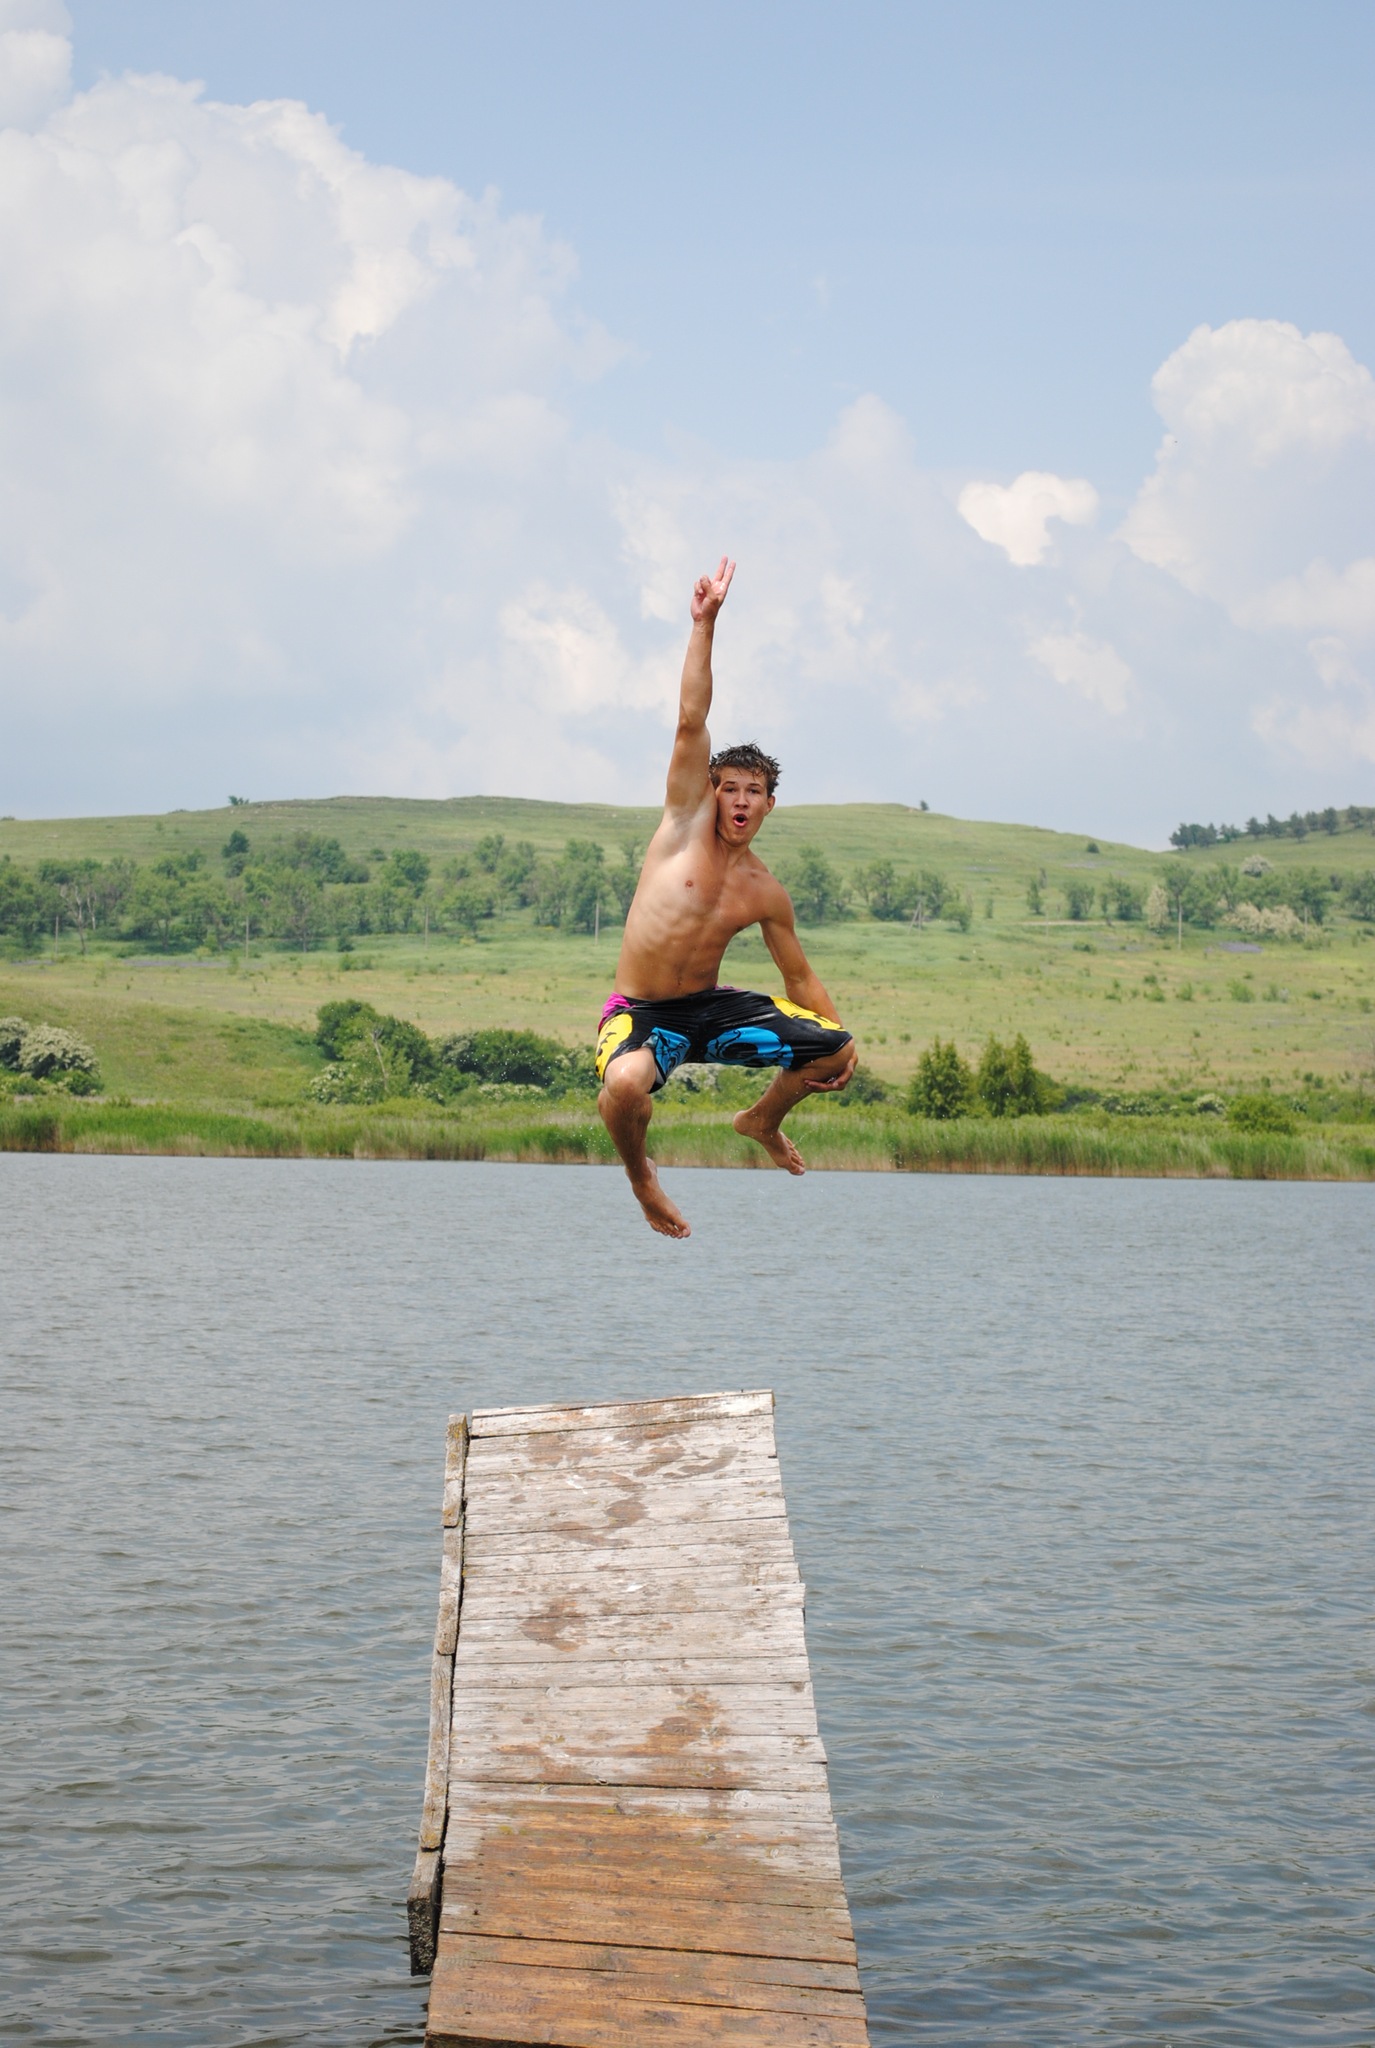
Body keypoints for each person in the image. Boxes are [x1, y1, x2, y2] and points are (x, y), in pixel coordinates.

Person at [596, 558, 857, 1237]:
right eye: (729, 788)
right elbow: (691, 719)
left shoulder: (764, 891)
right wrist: (705, 623)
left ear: (769, 804)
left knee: (834, 1047)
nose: (739, 800)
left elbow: (798, 977)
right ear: (710, 792)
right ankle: (643, 1179)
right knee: (623, 1086)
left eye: (753, 791)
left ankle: (760, 1121)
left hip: (710, 1013)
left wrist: (841, 1054)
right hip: (644, 1014)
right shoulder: (683, 825)